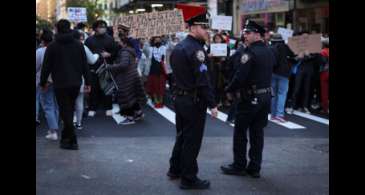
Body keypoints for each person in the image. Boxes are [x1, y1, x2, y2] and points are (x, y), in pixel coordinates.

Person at [168, 7, 218, 190]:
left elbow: (173, 75)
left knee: (182, 136)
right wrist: (213, 104)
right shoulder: (196, 50)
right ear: (194, 27)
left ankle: (175, 168)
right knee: (192, 140)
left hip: (181, 99)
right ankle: (188, 178)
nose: (208, 31)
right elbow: (203, 81)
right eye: (205, 28)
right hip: (193, 101)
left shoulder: (179, 47)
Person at [220, 20, 276, 178]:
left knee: (240, 132)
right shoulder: (269, 51)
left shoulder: (249, 53)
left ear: (257, 34)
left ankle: (239, 165)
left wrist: (228, 88)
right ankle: (255, 167)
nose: (245, 35)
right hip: (265, 96)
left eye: (248, 32)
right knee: (257, 133)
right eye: (245, 32)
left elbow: (240, 76)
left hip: (250, 97)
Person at [40, 19, 91, 150]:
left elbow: (46, 67)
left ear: (57, 29)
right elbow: (85, 64)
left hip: (60, 83)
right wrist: (88, 82)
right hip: (75, 82)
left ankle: (73, 139)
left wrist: (43, 82)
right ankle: (65, 138)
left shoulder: (52, 46)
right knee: (69, 108)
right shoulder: (78, 45)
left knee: (65, 110)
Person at [107, 36, 147, 125]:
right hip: (132, 75)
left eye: (120, 41)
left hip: (126, 77)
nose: (118, 42)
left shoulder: (125, 52)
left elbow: (124, 65)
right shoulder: (130, 51)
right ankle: (139, 113)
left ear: (124, 43)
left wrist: (111, 67)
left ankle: (130, 118)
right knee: (133, 96)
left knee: (126, 97)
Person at [84, 20, 117, 117]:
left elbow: (115, 52)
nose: (103, 28)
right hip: (93, 68)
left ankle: (108, 107)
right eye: (100, 26)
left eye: (104, 26)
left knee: (107, 88)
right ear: (95, 28)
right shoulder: (89, 40)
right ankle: (92, 108)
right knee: (93, 89)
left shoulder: (110, 39)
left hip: (106, 67)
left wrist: (109, 54)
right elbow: (85, 54)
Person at [72, 30, 100, 129]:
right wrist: (97, 54)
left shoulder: (61, 47)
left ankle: (68, 121)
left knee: (66, 102)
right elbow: (92, 60)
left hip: (64, 79)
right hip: (79, 78)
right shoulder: (83, 47)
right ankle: (78, 123)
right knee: (79, 101)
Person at [36, 29, 60, 140]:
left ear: (42, 40)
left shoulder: (40, 52)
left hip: (44, 81)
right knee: (56, 106)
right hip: (58, 80)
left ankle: (53, 131)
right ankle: (54, 128)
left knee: (48, 106)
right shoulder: (58, 49)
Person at [269, 33, 296, 123]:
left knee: (274, 94)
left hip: (272, 72)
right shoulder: (285, 47)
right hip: (284, 73)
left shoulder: (270, 48)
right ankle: (279, 115)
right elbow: (293, 55)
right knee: (282, 94)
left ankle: (273, 115)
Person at [146, 36, 167, 108]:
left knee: (161, 85)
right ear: (153, 41)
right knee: (154, 85)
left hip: (161, 70)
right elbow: (147, 58)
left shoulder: (164, 48)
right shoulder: (150, 49)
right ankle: (155, 100)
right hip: (153, 70)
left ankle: (161, 100)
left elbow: (166, 59)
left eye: (159, 40)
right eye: (156, 40)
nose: (158, 41)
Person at [319, 39, 329, 114]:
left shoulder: (323, 52)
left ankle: (325, 109)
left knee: (324, 92)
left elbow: (322, 62)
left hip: (325, 73)